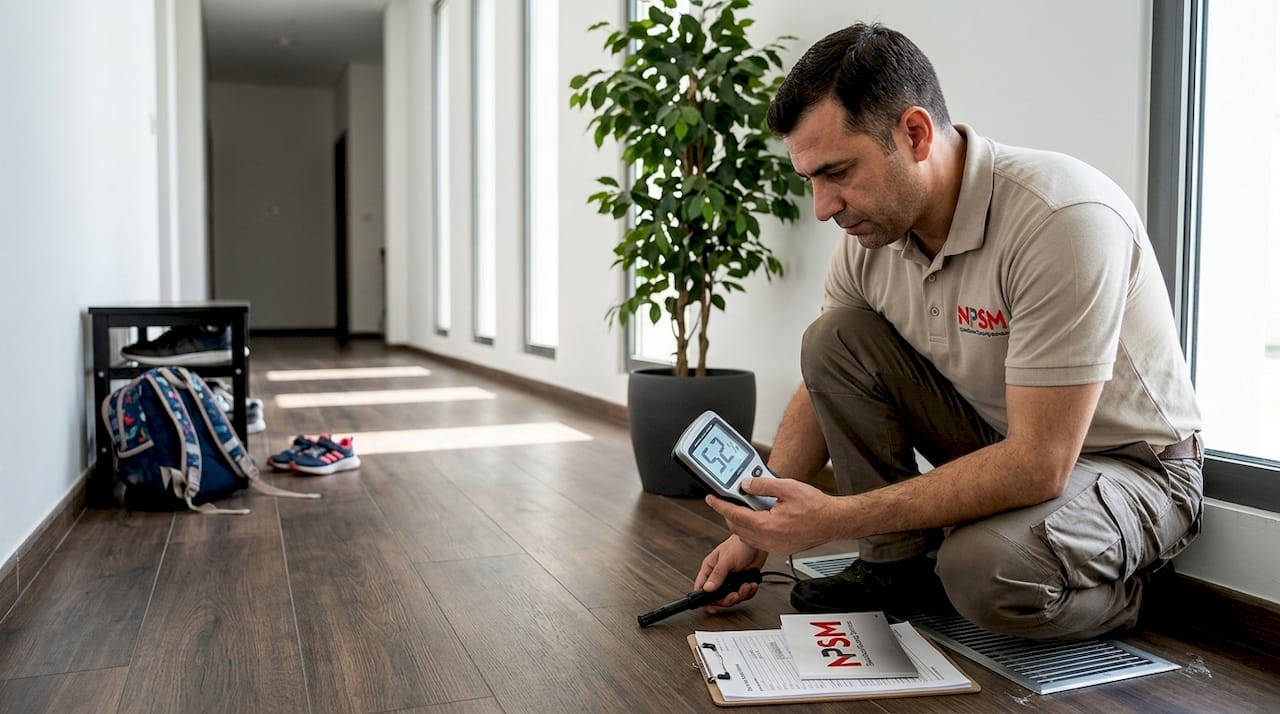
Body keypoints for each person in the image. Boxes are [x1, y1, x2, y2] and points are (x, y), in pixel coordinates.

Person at [692, 22, 1203, 641]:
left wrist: (834, 519)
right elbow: (821, 384)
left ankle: (1131, 590)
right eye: (812, 181)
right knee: (832, 338)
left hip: (1133, 468)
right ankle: (894, 567)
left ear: (914, 133)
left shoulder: (1062, 219)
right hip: (1005, 437)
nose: (824, 207)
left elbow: (1041, 464)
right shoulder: (870, 235)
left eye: (838, 172)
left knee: (983, 571)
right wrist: (758, 527)